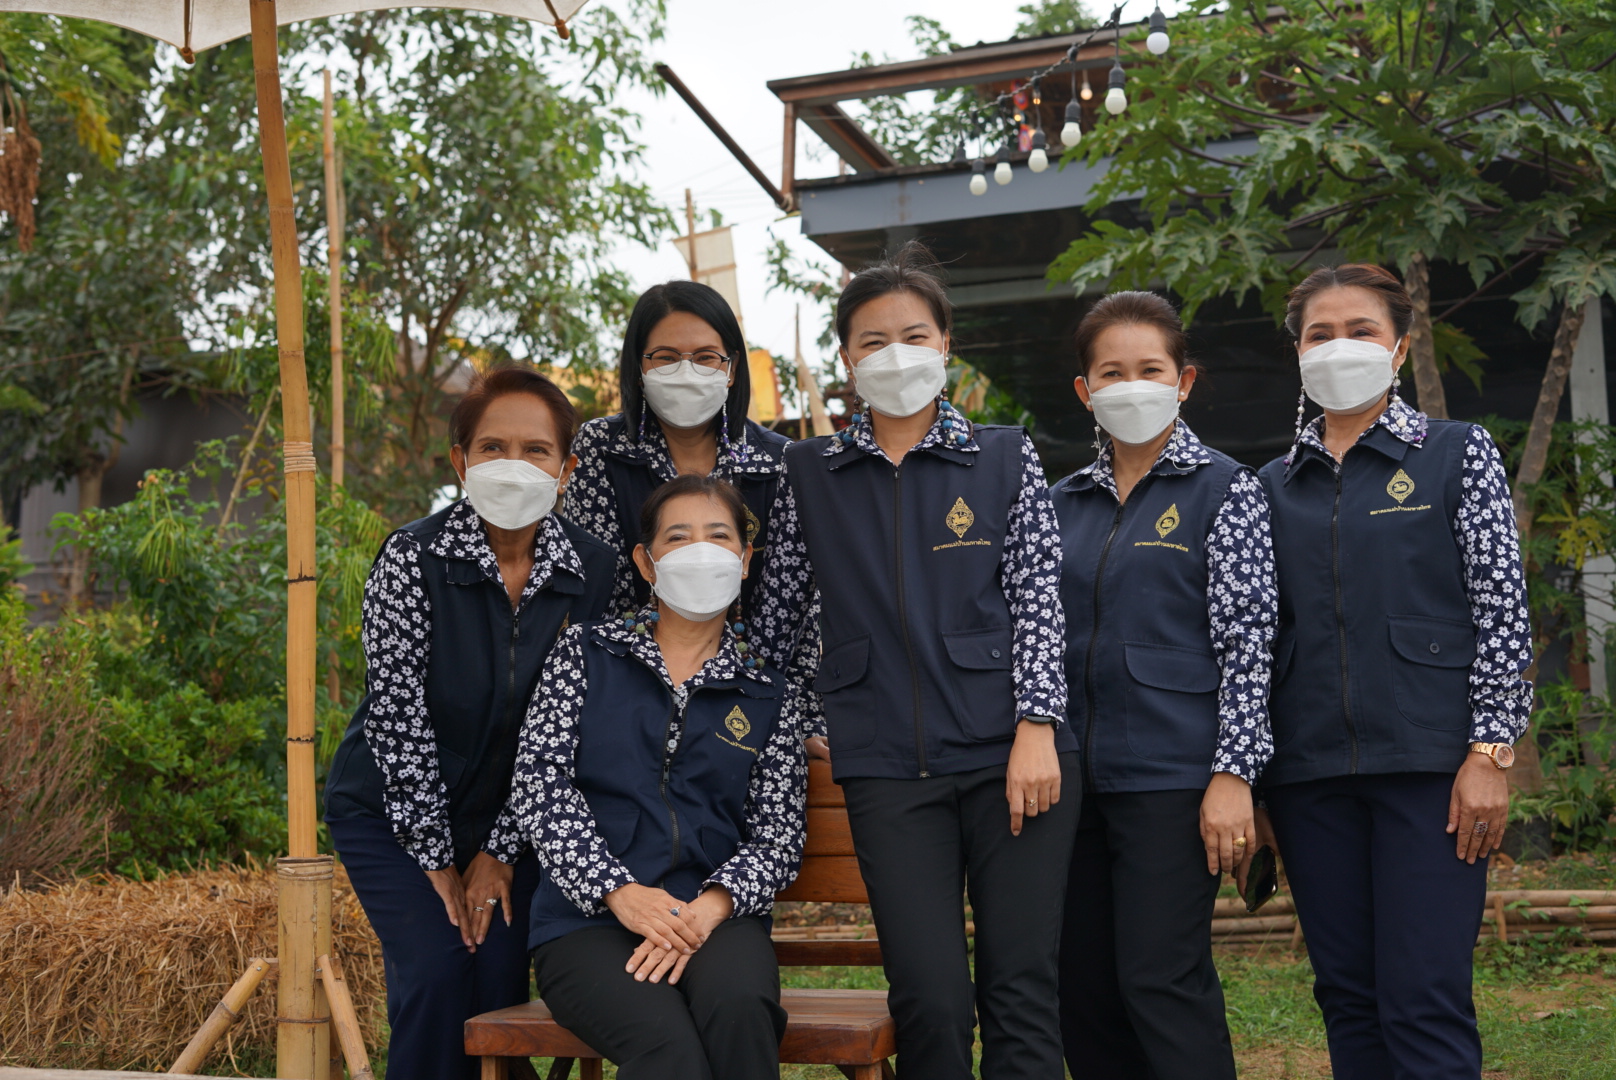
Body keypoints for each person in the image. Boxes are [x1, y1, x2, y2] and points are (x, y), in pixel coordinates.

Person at [754, 241, 1078, 1080]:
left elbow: (1040, 598)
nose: (893, 354)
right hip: (886, 769)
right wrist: (801, 726)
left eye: (913, 335)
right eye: (871, 340)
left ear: (945, 345)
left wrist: (1038, 727)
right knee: (929, 997)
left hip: (1014, 758)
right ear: (848, 359)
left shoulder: (1005, 456)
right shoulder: (807, 472)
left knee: (1021, 989)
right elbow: (778, 624)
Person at [1255, 264, 1532, 1080]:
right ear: (1298, 355)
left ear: (1400, 347)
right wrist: (1261, 785)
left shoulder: (1456, 453)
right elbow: (1258, 644)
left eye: (1361, 331)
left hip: (1432, 771)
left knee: (1423, 993)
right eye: (1319, 334)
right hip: (1309, 778)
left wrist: (1490, 755)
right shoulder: (1270, 487)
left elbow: (1502, 610)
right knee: (1346, 994)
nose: (1339, 347)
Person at [324, 366, 615, 1080]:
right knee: (438, 968)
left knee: (497, 983)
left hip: (514, 819)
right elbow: (398, 718)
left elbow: (565, 729)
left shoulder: (595, 571)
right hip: (392, 811)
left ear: (567, 468)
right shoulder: (411, 559)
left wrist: (500, 850)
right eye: (491, 447)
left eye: (536, 450)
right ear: (459, 462)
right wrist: (436, 859)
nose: (513, 465)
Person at [504, 473, 806, 1080]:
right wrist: (621, 892)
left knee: (740, 1008)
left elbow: (778, 834)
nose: (702, 551)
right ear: (646, 562)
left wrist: (709, 908)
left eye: (720, 536)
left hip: (714, 916)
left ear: (745, 560)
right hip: (586, 920)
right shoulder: (586, 655)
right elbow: (540, 785)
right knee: (667, 1048)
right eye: (679, 537)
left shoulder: (770, 693)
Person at [1050, 291, 1277, 1080]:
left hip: (1174, 780)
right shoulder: (1059, 504)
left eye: (1150, 369)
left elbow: (1250, 647)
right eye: (1111, 371)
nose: (1132, 384)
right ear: (1085, 390)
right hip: (1069, 785)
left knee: (1159, 977)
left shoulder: (1226, 490)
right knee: (1081, 987)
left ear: (1183, 380)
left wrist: (1233, 775)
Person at [566, 280, 791, 616]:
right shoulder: (601, 448)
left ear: (731, 368)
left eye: (705, 357)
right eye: (665, 357)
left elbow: (786, 597)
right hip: (626, 659)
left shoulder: (778, 461)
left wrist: (744, 668)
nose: (686, 372)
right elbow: (598, 586)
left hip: (751, 662)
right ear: (639, 368)